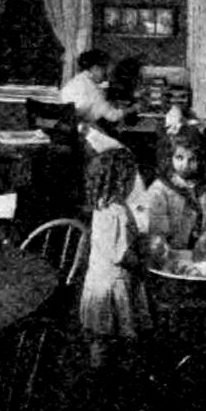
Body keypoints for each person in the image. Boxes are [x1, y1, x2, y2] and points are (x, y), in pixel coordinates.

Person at [80, 148, 152, 368]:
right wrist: (142, 265)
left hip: (97, 280)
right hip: (115, 283)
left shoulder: (102, 206)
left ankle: (97, 369)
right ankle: (115, 372)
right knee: (118, 334)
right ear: (122, 183)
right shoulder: (118, 211)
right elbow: (120, 254)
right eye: (132, 180)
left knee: (100, 334)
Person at [145, 124, 206, 261]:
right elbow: (154, 223)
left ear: (200, 160)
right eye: (179, 158)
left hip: (198, 252)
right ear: (170, 157)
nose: (185, 165)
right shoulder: (160, 189)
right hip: (168, 252)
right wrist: (159, 241)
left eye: (192, 160)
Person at [60, 49, 137, 129]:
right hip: (79, 130)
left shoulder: (75, 81)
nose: (105, 74)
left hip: (67, 126)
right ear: (95, 68)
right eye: (104, 69)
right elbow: (112, 116)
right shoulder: (93, 89)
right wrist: (133, 108)